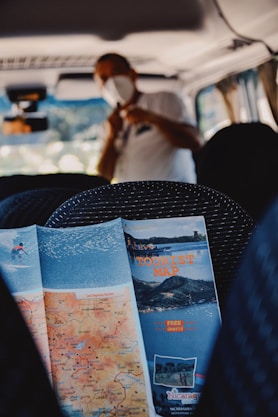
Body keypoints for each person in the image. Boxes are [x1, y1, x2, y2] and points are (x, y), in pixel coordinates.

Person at [94, 53, 202, 183]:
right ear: (100, 88)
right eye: (104, 78)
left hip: (175, 197)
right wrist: (111, 137)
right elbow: (104, 176)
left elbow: (194, 142)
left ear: (132, 74)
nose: (112, 82)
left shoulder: (164, 99)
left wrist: (152, 118)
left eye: (116, 72)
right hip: (135, 201)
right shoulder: (108, 126)